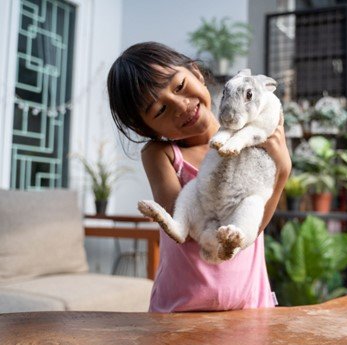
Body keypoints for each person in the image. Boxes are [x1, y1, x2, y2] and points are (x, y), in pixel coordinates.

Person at [106, 42, 291, 312]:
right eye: (160, 110)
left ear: (196, 72)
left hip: (250, 306)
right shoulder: (161, 155)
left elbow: (255, 222)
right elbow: (186, 230)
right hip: (182, 311)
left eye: (180, 86)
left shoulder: (251, 138)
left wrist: (282, 169)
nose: (180, 105)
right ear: (143, 128)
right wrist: (282, 170)